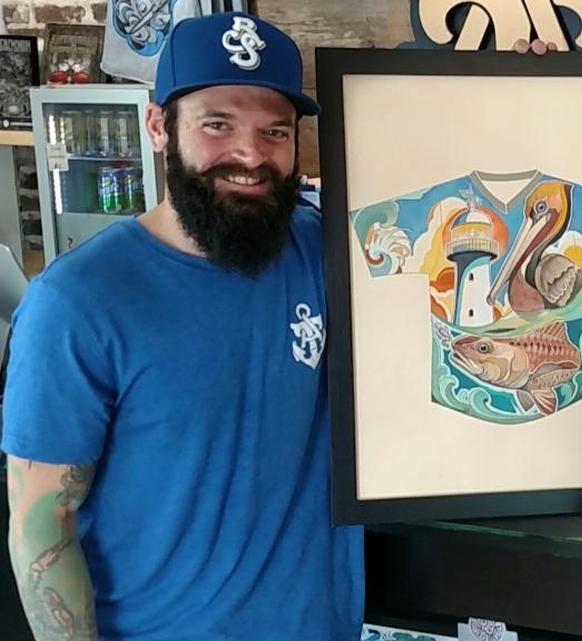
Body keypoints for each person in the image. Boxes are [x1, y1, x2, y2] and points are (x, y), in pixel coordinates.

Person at [3, 12, 363, 640]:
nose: (250, 155)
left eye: (274, 131)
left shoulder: (326, 250)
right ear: (158, 126)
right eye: (217, 125)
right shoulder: (77, 302)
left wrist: (532, 79)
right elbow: (42, 532)